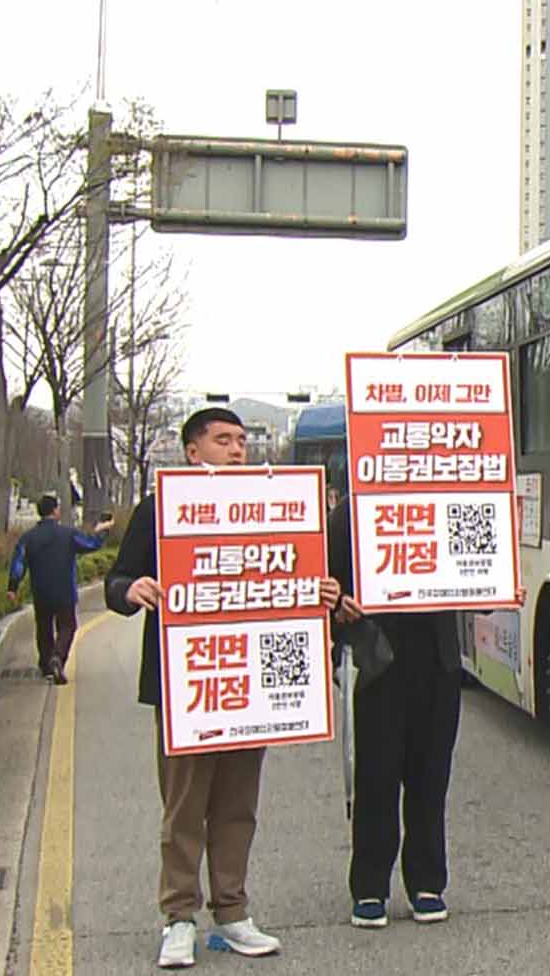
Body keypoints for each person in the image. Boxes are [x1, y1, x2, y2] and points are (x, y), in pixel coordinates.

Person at [105, 407, 342, 969]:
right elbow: (118, 579)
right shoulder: (160, 507)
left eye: (241, 440)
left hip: (251, 689)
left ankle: (232, 911)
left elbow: (297, 576)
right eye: (223, 440)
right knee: (184, 809)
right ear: (193, 451)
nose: (237, 450)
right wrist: (130, 590)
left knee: (238, 807)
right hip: (188, 687)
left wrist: (322, 593)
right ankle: (179, 917)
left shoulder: (276, 508)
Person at [325, 498, 461, 930]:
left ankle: (427, 882)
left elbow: (477, 575)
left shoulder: (451, 499)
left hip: (438, 661)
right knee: (375, 775)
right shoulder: (350, 510)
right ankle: (369, 887)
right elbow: (323, 583)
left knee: (431, 776)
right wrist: (337, 606)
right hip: (376, 661)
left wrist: (500, 590)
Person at [6, 495, 111, 684]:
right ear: (55, 511)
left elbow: (18, 564)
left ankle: (47, 666)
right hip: (64, 590)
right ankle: (58, 657)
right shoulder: (68, 534)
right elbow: (91, 544)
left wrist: (12, 587)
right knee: (67, 626)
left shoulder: (28, 538)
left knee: (43, 628)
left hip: (40, 591)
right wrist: (102, 531)